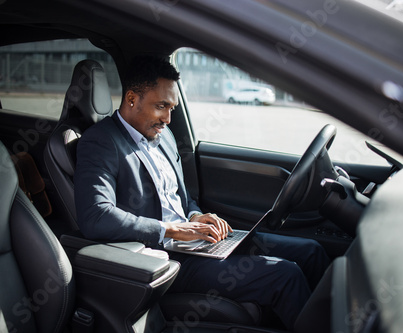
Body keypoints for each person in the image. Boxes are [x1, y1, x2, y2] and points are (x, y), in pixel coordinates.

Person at [74, 55, 330, 330]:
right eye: (161, 107)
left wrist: (195, 216)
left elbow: (182, 200)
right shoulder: (100, 142)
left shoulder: (164, 137)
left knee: (311, 251)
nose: (168, 119)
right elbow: (96, 215)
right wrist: (170, 230)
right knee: (285, 274)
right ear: (132, 99)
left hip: (196, 241)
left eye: (172, 108)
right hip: (164, 257)